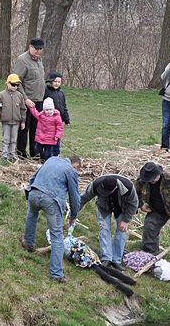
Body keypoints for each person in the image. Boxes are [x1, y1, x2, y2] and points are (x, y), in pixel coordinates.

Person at [21, 155, 82, 283]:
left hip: (34, 191)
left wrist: (29, 192)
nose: (76, 171)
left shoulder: (51, 159)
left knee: (32, 215)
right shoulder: (70, 170)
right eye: (76, 169)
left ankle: (28, 243)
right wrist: (73, 215)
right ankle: (56, 273)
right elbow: (74, 196)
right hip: (51, 199)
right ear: (74, 165)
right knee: (57, 236)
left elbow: (33, 176)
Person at [136, 161, 170, 277]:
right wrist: (141, 205)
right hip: (157, 210)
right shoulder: (142, 181)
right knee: (149, 228)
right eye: (149, 179)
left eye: (153, 179)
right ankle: (150, 260)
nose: (151, 181)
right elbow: (134, 193)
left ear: (158, 174)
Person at [79, 174, 139, 272]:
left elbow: (133, 204)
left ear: (115, 187)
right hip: (103, 207)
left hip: (122, 208)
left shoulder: (128, 186)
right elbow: (83, 198)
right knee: (104, 229)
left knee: (122, 231)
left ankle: (116, 260)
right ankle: (106, 258)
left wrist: (126, 220)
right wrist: (74, 213)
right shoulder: (96, 185)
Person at [12, 38, 46, 158]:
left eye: (40, 49)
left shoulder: (39, 60)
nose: (38, 51)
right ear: (30, 47)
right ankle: (21, 154)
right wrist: (25, 99)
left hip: (39, 100)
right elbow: (16, 81)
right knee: (23, 128)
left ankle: (35, 153)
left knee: (36, 129)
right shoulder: (22, 60)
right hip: (26, 100)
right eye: (36, 49)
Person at [0, 73, 26, 161]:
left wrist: (23, 121)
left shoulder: (19, 95)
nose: (15, 87)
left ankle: (12, 155)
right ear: (8, 83)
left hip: (16, 121)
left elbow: (23, 109)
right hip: (6, 121)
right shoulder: (1, 95)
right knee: (6, 139)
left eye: (17, 85)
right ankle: (4, 155)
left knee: (14, 139)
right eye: (13, 84)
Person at [44, 72, 70, 156]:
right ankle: (47, 154)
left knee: (57, 137)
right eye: (55, 81)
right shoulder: (46, 91)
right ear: (51, 81)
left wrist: (66, 119)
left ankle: (56, 154)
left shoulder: (61, 93)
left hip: (59, 120)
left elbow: (64, 106)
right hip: (49, 120)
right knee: (49, 137)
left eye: (59, 82)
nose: (57, 84)